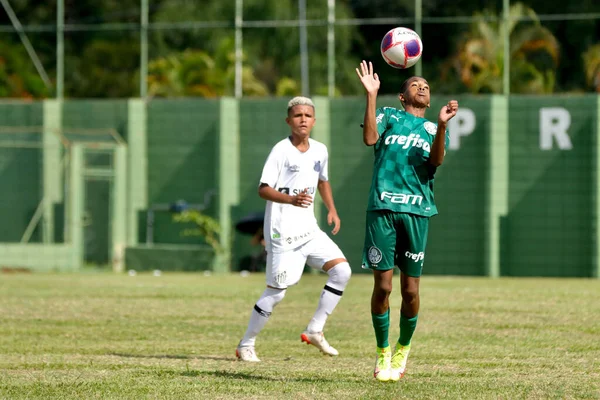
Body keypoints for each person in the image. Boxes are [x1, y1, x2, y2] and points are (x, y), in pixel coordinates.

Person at [355, 60, 459, 382]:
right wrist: (371, 96)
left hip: (417, 213)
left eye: (426, 86)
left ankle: (403, 346)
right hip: (383, 208)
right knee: (383, 286)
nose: (422, 88)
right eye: (415, 85)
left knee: (410, 291)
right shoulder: (389, 116)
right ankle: (383, 350)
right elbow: (370, 139)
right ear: (403, 96)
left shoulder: (432, 128)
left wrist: (442, 125)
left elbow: (436, 161)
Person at [236, 96, 352, 362]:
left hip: (309, 230)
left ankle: (315, 330)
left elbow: (323, 180)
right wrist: (291, 199)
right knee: (277, 293)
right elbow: (263, 189)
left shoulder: (320, 150)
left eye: (308, 116)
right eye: (297, 115)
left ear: (314, 121)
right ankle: (246, 344)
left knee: (342, 271)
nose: (303, 119)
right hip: (281, 232)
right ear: (289, 121)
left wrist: (332, 210)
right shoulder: (281, 150)